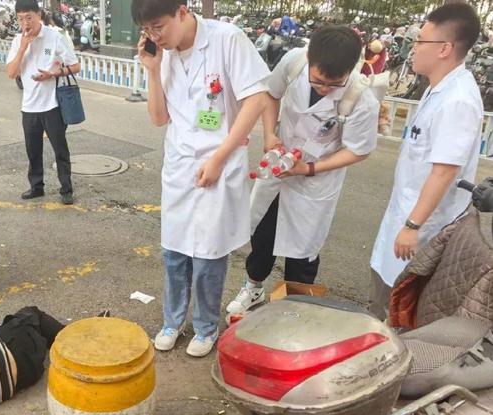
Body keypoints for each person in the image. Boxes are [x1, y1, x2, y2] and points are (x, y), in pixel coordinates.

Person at [132, 0, 270, 357]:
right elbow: (159, 119)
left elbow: (256, 99)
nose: (154, 36)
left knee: (209, 255)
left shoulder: (227, 39)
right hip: (180, 165)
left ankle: (206, 327)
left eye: (158, 26)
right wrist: (152, 70)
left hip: (218, 163)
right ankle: (172, 320)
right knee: (174, 252)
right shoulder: (162, 56)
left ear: (182, 10)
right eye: (146, 30)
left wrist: (220, 158)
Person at [226, 26, 379, 316]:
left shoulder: (362, 99)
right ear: (309, 57)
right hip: (279, 166)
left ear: (351, 70)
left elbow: (359, 150)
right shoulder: (295, 62)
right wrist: (270, 134)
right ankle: (253, 288)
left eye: (333, 84)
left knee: (303, 252)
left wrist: (308, 168)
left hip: (315, 180)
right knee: (262, 236)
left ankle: (295, 305)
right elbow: (271, 95)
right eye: (318, 80)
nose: (323, 88)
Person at [369, 3, 484, 319]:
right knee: (387, 290)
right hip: (407, 210)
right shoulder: (439, 88)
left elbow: (445, 170)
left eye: (421, 41)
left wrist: (412, 225)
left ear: (445, 48)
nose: (414, 49)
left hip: (424, 224)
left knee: (406, 304)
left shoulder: (458, 100)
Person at [6, 0, 81, 205]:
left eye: (29, 17)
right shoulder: (17, 41)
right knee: (33, 150)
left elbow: (75, 66)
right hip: (29, 107)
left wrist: (54, 74)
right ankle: (36, 186)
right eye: (21, 19)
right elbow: (11, 73)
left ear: (39, 15)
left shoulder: (54, 36)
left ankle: (66, 188)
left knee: (60, 149)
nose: (25, 23)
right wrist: (22, 48)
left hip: (52, 105)